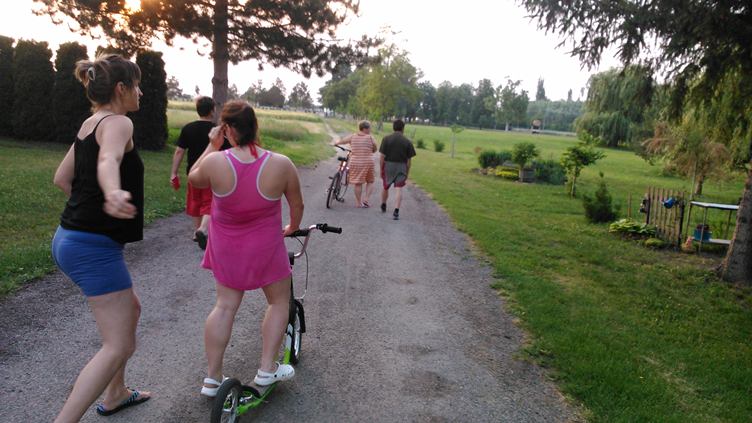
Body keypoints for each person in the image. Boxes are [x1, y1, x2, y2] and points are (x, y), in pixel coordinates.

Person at [51, 54, 150, 421]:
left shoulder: (90, 123)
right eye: (137, 86)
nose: (141, 93)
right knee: (117, 344)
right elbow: (108, 161)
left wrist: (90, 207)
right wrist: (110, 192)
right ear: (121, 89)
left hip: (68, 238)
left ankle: (116, 393)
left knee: (131, 310)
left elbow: (62, 179)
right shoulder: (119, 122)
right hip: (92, 248)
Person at [188, 100, 304, 397]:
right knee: (278, 302)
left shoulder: (216, 162)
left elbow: (194, 177)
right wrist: (292, 227)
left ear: (227, 129)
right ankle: (266, 368)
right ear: (255, 126)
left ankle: (212, 378)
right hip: (266, 247)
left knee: (224, 306)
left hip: (226, 247)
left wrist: (212, 145)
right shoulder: (281, 164)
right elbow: (297, 205)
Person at [169, 96, 230, 250]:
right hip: (212, 173)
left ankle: (197, 231)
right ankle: (203, 229)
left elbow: (179, 151)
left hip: (193, 172)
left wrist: (174, 172)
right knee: (209, 202)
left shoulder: (188, 128)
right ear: (212, 110)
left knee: (195, 201)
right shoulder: (218, 131)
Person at [379, 119, 416, 220]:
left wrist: (381, 168)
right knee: (399, 189)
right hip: (401, 166)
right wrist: (407, 172)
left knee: (385, 186)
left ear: (393, 127)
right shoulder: (407, 142)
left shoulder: (386, 139)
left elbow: (382, 157)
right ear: (403, 128)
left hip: (388, 165)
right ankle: (396, 210)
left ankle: (383, 204)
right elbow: (409, 161)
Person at [334, 120, 377, 207]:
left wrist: (336, 143)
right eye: (369, 128)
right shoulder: (370, 138)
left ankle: (358, 203)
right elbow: (375, 148)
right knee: (370, 181)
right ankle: (366, 200)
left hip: (355, 162)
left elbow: (343, 141)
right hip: (368, 162)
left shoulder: (353, 136)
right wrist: (371, 150)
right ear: (365, 129)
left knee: (358, 183)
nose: (370, 130)